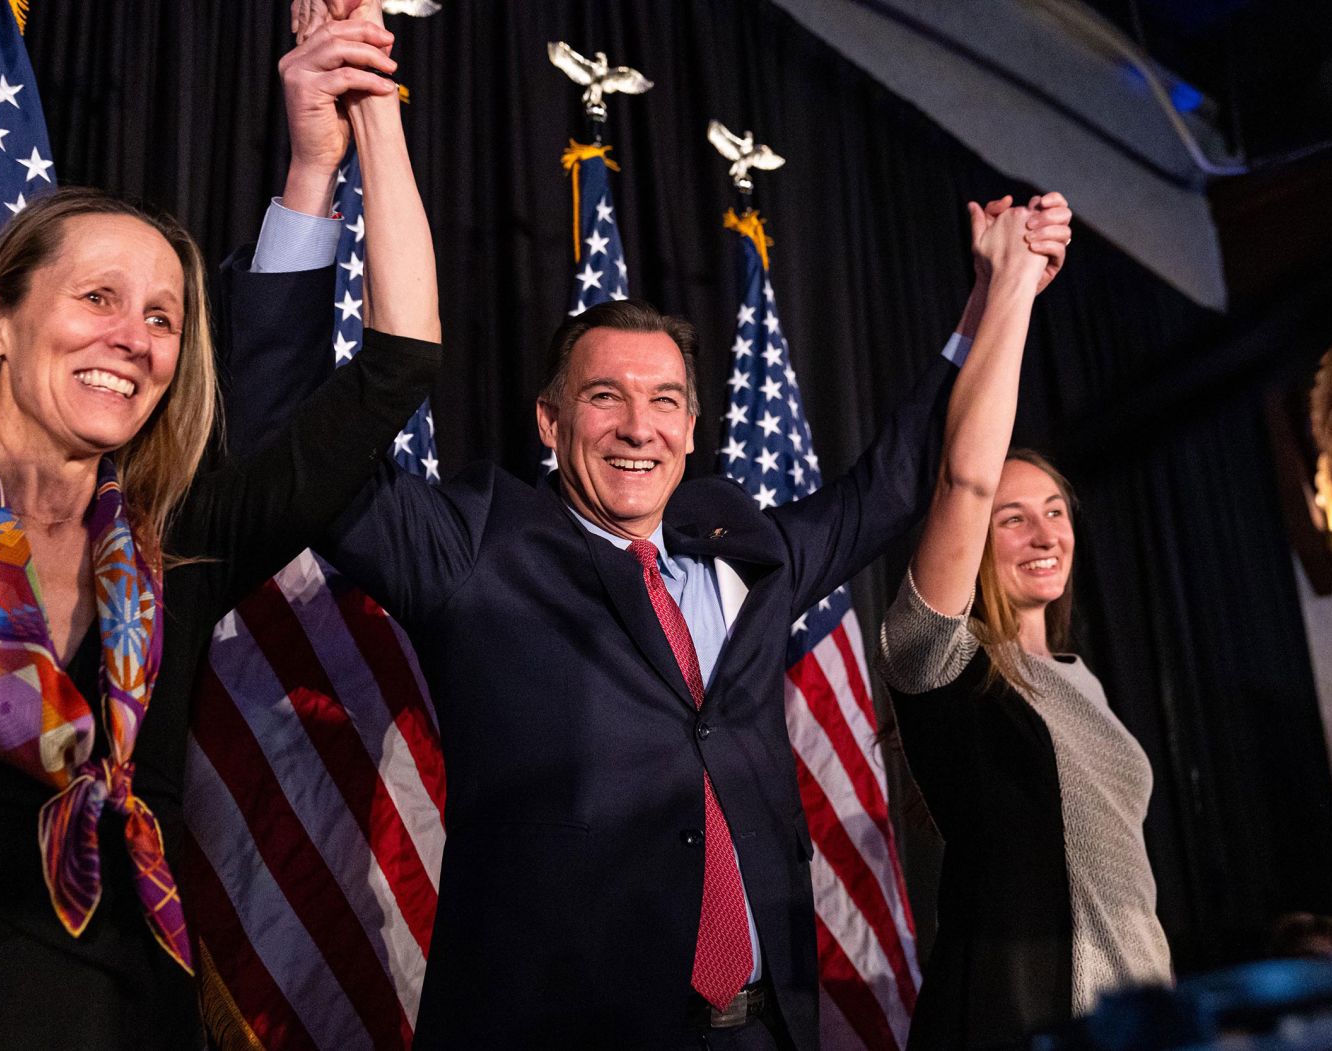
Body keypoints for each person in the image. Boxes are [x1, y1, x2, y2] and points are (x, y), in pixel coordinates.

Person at [227, 119, 1072, 1040]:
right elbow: (289, 442)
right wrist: (316, 173)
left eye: (665, 400)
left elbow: (897, 480)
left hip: (759, 1027)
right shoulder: (474, 544)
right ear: (550, 423)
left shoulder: (747, 550)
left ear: (694, 425)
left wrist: (991, 297)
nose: (640, 426)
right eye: (606, 397)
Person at [0, 10, 438, 1047]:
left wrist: (356, 122)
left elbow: (398, 365)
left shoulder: (182, 549)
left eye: (163, 316)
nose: (134, 338)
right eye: (99, 297)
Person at [875, 202, 1172, 1048]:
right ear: (973, 544)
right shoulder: (939, 661)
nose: (1044, 533)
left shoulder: (1082, 681)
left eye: (1054, 511)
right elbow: (964, 479)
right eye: (1013, 519)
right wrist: (1012, 290)